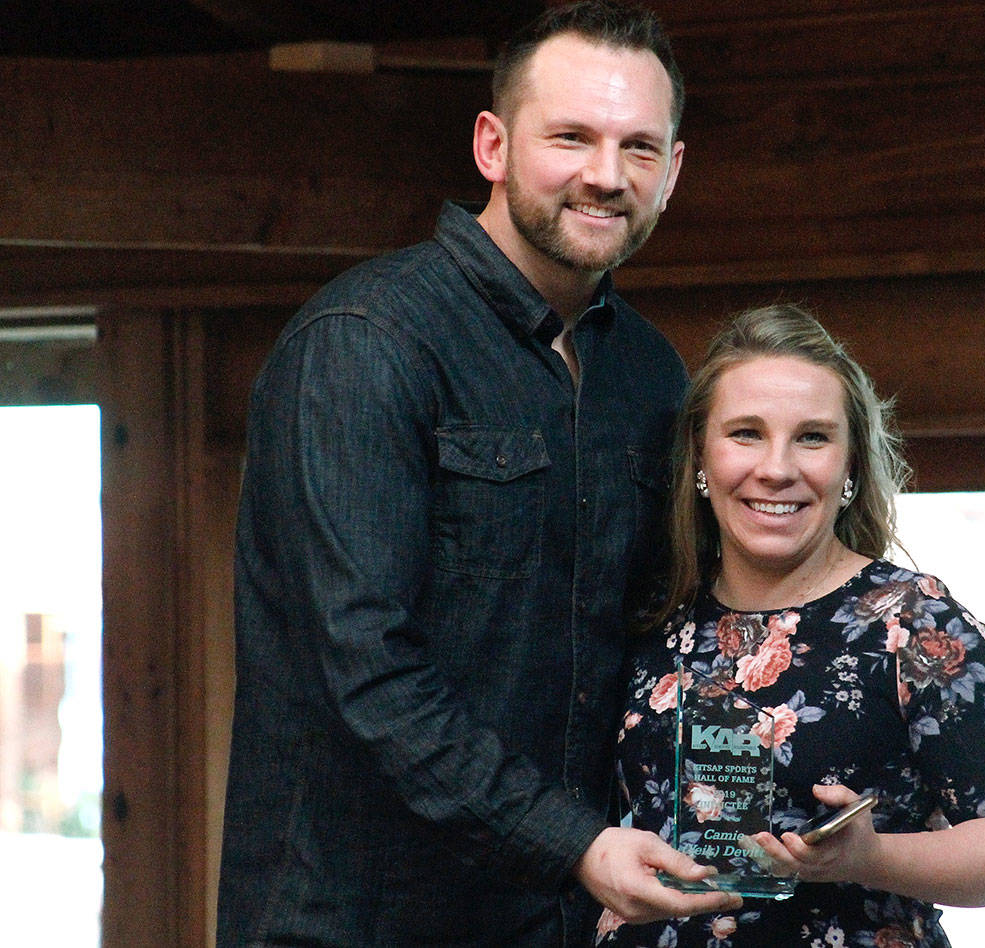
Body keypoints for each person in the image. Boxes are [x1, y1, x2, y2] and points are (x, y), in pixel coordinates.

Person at [216, 3, 744, 945]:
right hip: (353, 918)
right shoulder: (367, 343)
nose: (603, 175)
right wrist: (576, 843)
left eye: (637, 148)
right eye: (571, 137)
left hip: (563, 920)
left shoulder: (654, 374)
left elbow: (671, 635)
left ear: (672, 174)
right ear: (492, 146)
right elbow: (365, 673)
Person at [600, 304, 985, 946]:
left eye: (812, 437)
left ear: (849, 469)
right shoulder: (649, 617)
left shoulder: (911, 622)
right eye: (745, 433)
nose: (777, 468)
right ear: (700, 460)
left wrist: (871, 857)